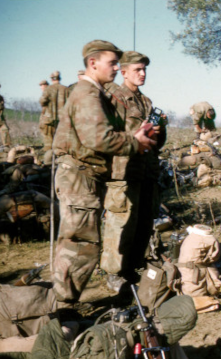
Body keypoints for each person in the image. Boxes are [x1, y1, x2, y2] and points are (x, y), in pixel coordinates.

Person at [51, 40, 155, 304]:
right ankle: (61, 307)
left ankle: (65, 304)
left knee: (81, 242)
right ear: (92, 63)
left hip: (87, 174)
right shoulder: (88, 94)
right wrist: (135, 142)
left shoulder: (94, 93)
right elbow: (98, 138)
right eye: (113, 63)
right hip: (80, 173)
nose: (116, 68)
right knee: (78, 244)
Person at [101, 51, 166, 291]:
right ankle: (113, 273)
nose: (143, 74)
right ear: (123, 71)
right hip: (123, 171)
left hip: (146, 170)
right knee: (120, 223)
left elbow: (155, 142)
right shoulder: (113, 98)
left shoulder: (145, 101)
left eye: (145, 69)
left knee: (142, 222)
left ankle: (132, 267)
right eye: (137, 69)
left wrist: (159, 131)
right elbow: (106, 135)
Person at [39, 71, 68, 151]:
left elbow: (42, 101)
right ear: (60, 78)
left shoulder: (48, 89)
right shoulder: (66, 89)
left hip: (49, 118)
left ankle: (48, 158)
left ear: (51, 79)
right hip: (63, 119)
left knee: (48, 142)